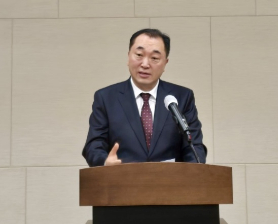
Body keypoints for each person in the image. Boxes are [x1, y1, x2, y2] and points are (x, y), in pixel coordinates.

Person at [82, 28, 207, 167]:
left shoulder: (182, 97)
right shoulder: (106, 98)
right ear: (128, 56)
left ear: (165, 63)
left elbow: (194, 146)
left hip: (170, 180)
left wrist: (192, 171)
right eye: (139, 55)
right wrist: (105, 162)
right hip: (122, 178)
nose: (145, 64)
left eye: (154, 58)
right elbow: (94, 146)